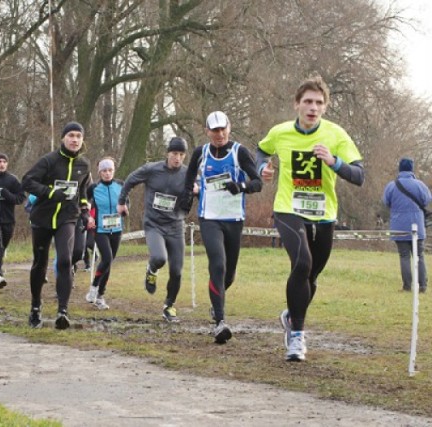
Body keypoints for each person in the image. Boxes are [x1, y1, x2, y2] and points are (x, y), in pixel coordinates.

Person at [256, 76, 364, 361]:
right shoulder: (280, 133)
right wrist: (261, 170)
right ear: (297, 105)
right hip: (288, 208)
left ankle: (292, 315)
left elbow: (359, 176)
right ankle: (297, 338)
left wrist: (334, 162)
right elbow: (261, 151)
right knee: (302, 263)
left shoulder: (336, 135)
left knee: (312, 275)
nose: (312, 107)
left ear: (325, 107)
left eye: (318, 102)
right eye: (307, 102)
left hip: (324, 214)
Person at [182, 111, 262, 344]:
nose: (219, 134)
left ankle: (216, 303)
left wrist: (242, 186)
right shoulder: (201, 153)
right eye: (214, 130)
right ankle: (220, 322)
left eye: (222, 129)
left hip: (234, 219)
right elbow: (189, 179)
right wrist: (187, 197)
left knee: (228, 274)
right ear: (207, 131)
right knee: (217, 265)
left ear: (229, 127)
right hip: (209, 218)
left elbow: (258, 182)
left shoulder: (239, 152)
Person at [22, 121, 92, 330]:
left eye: (78, 136)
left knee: (64, 260)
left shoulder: (84, 165)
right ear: (63, 138)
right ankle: (35, 306)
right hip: (43, 218)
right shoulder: (49, 161)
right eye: (71, 135)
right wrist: (51, 192)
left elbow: (82, 192)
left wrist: (85, 211)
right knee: (40, 263)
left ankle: (63, 311)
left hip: (67, 218)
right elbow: (27, 181)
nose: (74, 140)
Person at [117, 137, 190, 323]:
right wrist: (121, 202)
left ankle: (169, 306)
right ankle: (151, 269)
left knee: (177, 271)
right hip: (154, 224)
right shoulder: (152, 169)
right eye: (174, 154)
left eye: (181, 155)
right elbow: (130, 180)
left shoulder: (188, 174)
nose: (177, 158)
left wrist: (193, 194)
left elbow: (190, 199)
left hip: (175, 226)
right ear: (168, 153)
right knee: (159, 258)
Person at [382, 157, 431, 293]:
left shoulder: (392, 185)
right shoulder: (420, 185)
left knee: (404, 256)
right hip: (418, 225)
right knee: (419, 255)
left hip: (399, 226)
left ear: (399, 169)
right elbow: (427, 200)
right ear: (412, 169)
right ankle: (422, 286)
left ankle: (407, 286)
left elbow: (386, 202)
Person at [85, 157, 125, 310]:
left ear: (113, 171)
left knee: (108, 262)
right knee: (106, 257)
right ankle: (94, 287)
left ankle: (100, 296)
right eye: (104, 171)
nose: (107, 174)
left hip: (117, 229)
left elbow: (125, 201)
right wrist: (88, 216)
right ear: (99, 172)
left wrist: (125, 208)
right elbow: (84, 203)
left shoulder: (120, 185)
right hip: (100, 229)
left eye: (110, 170)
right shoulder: (93, 188)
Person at [0, 153, 26, 288]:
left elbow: (20, 198)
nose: (2, 164)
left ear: (7, 164)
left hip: (8, 219)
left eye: (4, 161)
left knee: (2, 247)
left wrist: (6, 194)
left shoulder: (12, 180)